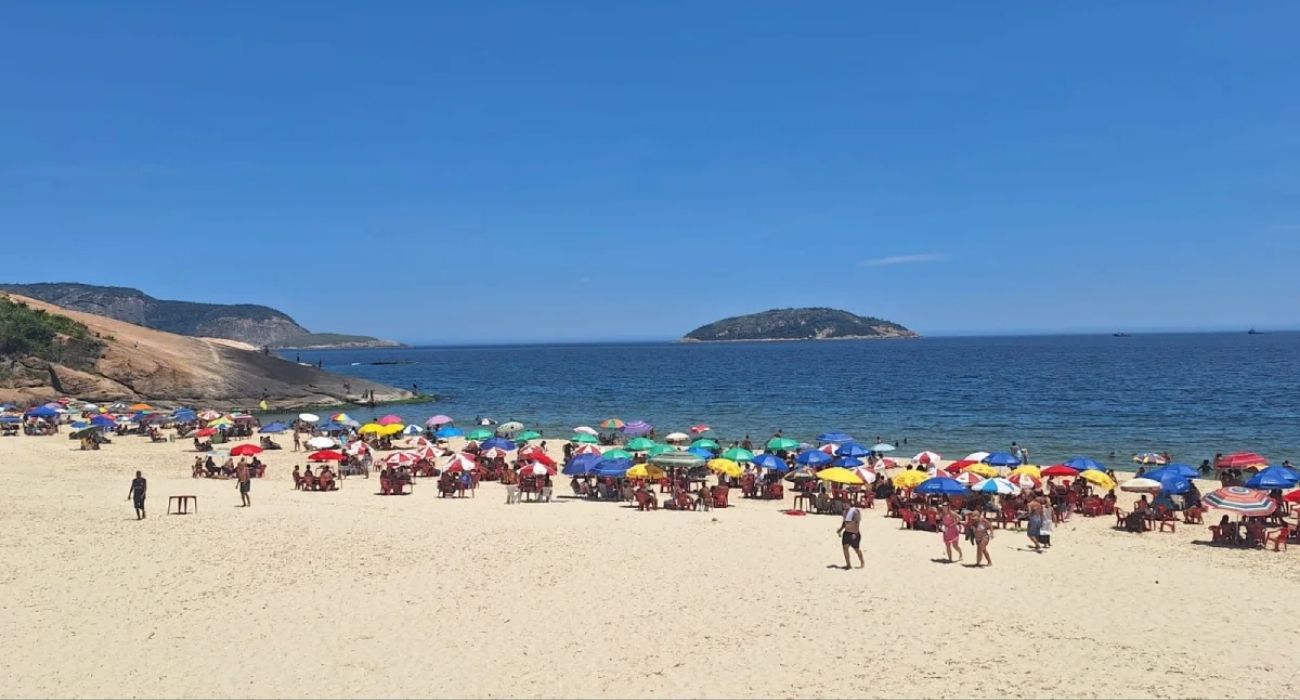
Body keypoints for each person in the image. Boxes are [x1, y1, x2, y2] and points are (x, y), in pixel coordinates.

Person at [837, 503, 864, 570]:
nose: (844, 505)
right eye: (844, 504)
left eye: (846, 504)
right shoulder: (844, 512)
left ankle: (862, 562)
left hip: (854, 533)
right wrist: (840, 529)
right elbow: (844, 523)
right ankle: (848, 565)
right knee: (845, 548)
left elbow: (857, 522)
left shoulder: (855, 511)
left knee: (856, 549)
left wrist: (855, 533)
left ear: (849, 504)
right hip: (846, 532)